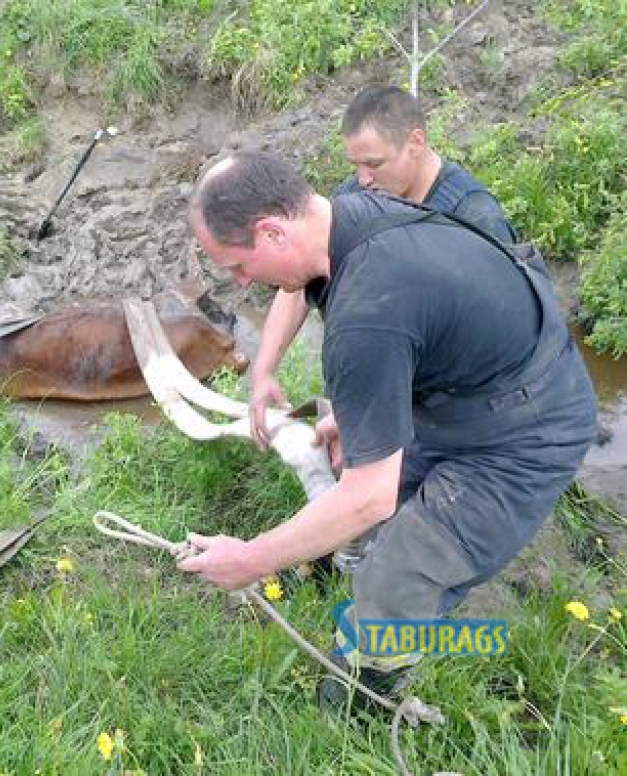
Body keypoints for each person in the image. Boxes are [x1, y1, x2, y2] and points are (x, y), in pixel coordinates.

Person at [180, 151, 596, 708]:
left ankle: (365, 703)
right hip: (467, 389)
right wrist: (360, 415)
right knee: (366, 522)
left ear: (272, 230)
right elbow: (409, 338)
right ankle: (347, 607)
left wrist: (251, 559)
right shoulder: (347, 216)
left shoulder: (367, 312)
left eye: (236, 266)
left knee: (397, 574)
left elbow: (366, 498)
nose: (242, 282)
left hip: (526, 431)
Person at [250, 85, 516, 450]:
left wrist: (361, 414)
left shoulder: (473, 218)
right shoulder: (354, 197)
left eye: (374, 164)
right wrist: (264, 370)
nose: (362, 179)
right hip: (375, 380)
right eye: (355, 165)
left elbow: (501, 338)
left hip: (454, 404)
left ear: (415, 142)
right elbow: (300, 279)